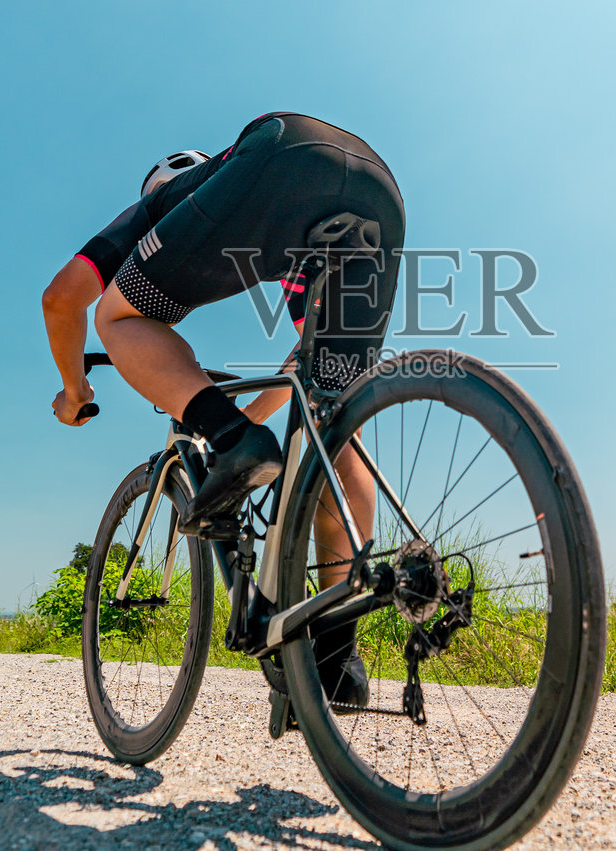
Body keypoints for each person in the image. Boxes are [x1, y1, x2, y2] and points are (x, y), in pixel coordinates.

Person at [41, 111, 404, 703]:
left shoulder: (165, 200)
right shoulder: (289, 253)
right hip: (376, 186)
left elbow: (61, 300)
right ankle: (337, 657)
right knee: (334, 420)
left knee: (116, 313)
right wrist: (248, 421)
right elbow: (301, 360)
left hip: (279, 156)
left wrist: (76, 392)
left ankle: (231, 440)